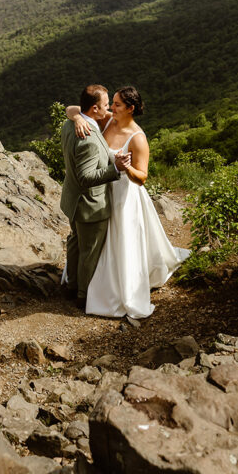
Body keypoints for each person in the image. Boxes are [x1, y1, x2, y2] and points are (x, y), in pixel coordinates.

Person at [67, 85, 189, 319]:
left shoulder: (138, 138)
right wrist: (77, 119)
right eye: (111, 103)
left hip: (125, 193)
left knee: (122, 240)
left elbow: (142, 178)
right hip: (102, 188)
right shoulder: (110, 120)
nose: (111, 108)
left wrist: (126, 167)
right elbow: (73, 108)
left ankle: (119, 287)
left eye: (117, 104)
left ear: (130, 109)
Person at [60, 84, 131, 306]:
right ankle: (83, 296)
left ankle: (71, 286)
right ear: (94, 109)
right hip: (89, 204)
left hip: (72, 200)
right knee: (88, 251)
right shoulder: (88, 137)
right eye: (105, 105)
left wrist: (76, 116)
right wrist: (116, 169)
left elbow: (72, 110)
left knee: (75, 243)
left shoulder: (69, 124)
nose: (108, 108)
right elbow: (86, 177)